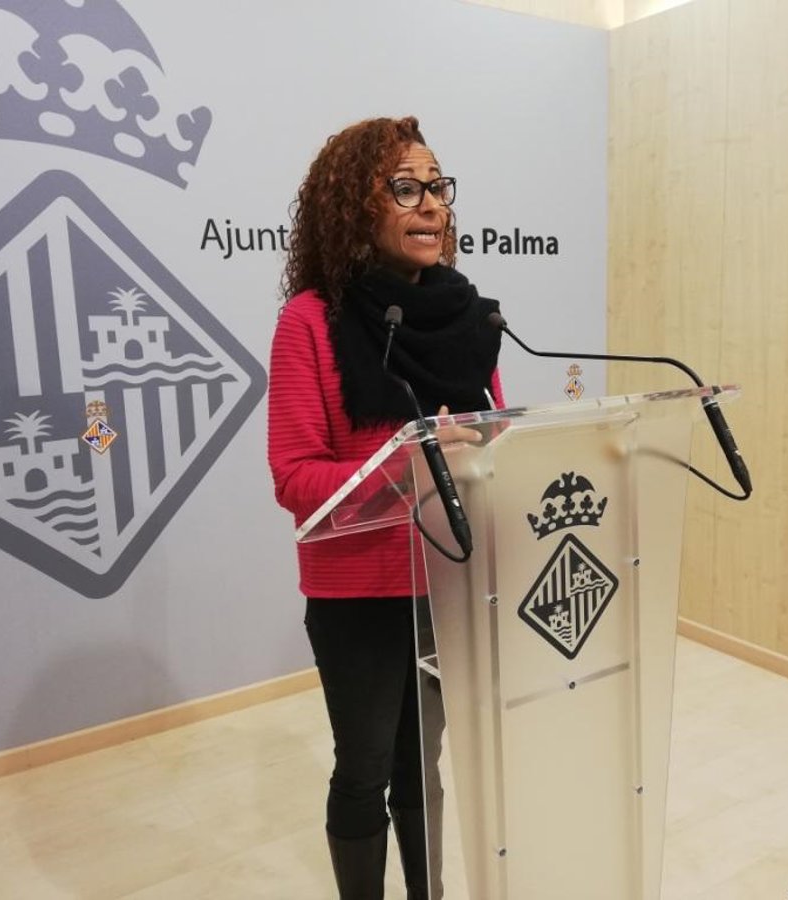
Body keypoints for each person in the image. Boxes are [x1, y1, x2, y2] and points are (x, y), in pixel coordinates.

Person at [268, 116, 503, 900]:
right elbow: (296, 478)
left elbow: (490, 443)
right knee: (365, 770)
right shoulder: (310, 320)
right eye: (406, 188)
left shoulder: (472, 317)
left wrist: (503, 458)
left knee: (422, 764)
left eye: (437, 187)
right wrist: (412, 461)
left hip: (447, 582)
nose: (432, 205)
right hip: (357, 595)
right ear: (353, 208)